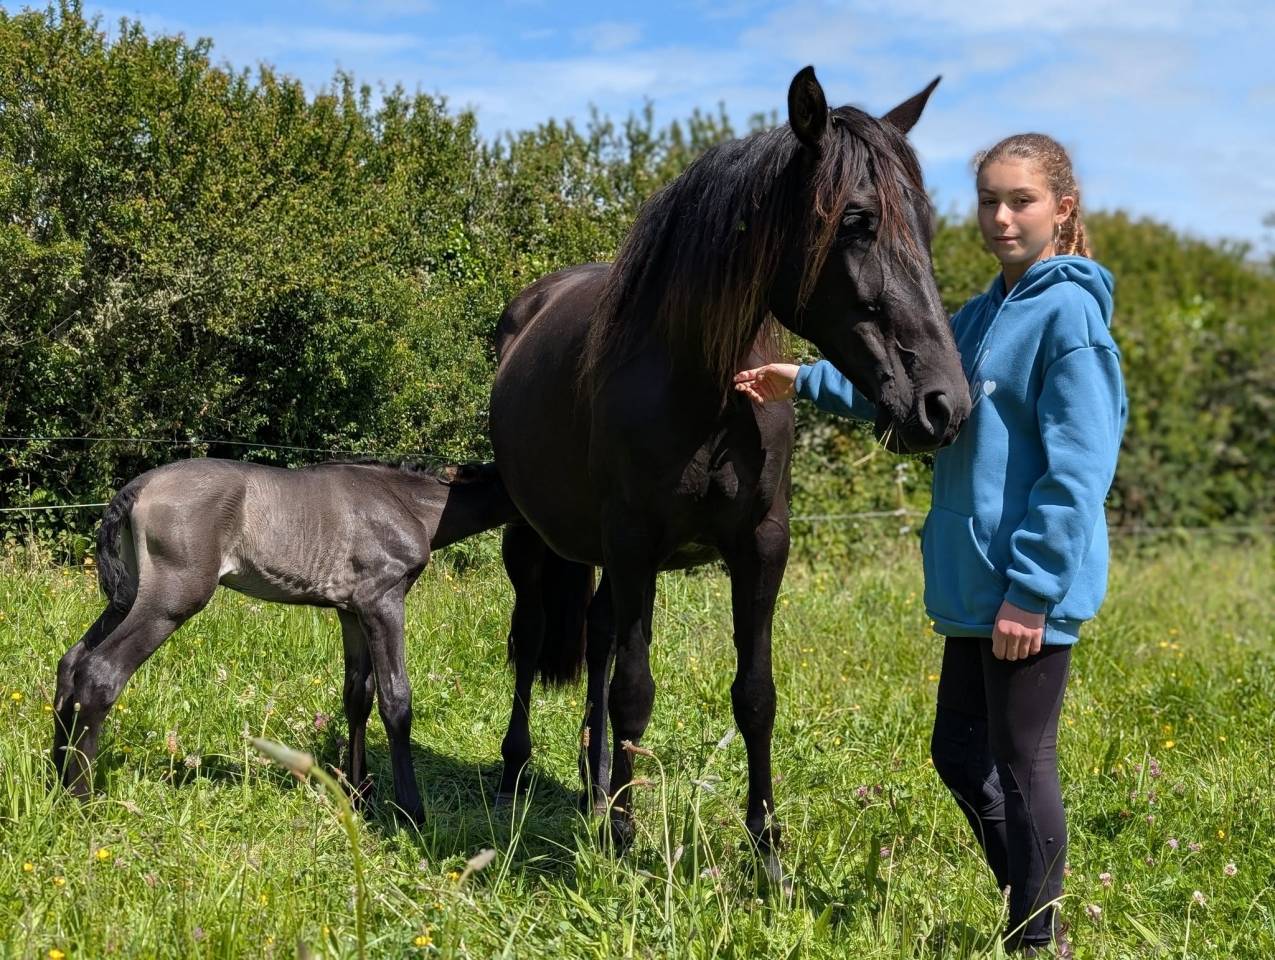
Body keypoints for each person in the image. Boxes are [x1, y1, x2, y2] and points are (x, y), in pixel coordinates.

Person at [734, 133, 1126, 956]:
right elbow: (910, 385)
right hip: (972, 585)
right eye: (987, 200)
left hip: (1022, 590)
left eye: (1019, 200)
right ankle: (1030, 906)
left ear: (1061, 209)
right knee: (958, 752)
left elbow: (1078, 472)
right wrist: (800, 379)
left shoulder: (1069, 317)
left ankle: (1033, 935)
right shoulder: (983, 314)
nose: (1000, 216)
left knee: (1021, 762)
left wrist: (1033, 588)